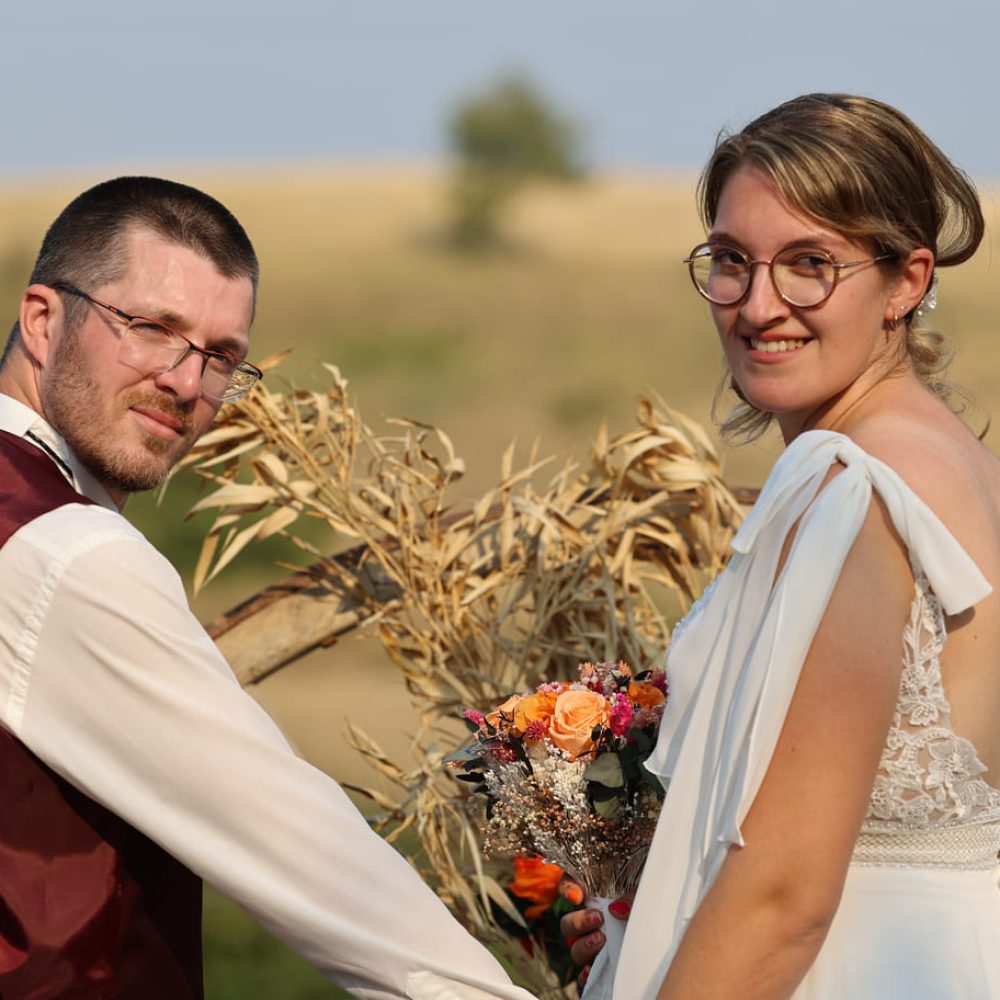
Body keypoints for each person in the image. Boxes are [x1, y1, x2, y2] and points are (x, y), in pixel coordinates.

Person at [0, 176, 537, 1000]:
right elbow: (309, 857)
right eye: (152, 329)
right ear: (44, 320)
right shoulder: (70, 553)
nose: (187, 384)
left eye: (223, 358)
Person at [560, 93, 1000, 998]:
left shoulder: (851, 481)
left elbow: (784, 899)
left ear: (908, 281)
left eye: (809, 265)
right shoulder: (960, 463)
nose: (760, 307)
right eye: (731, 261)